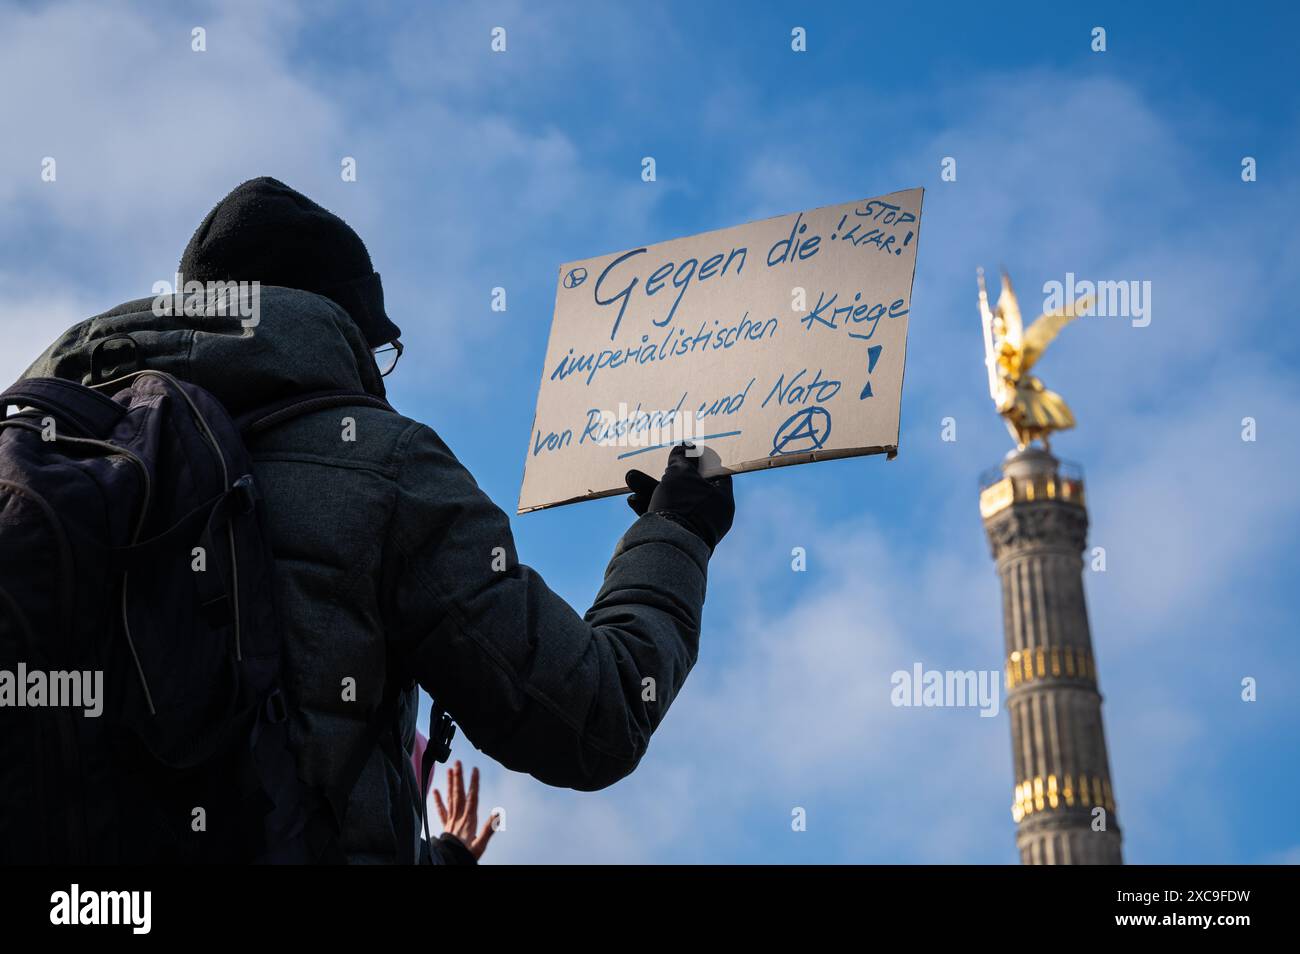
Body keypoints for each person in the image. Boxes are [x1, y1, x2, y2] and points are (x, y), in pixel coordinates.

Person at [20, 177, 734, 864]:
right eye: (380, 350)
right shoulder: (383, 469)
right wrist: (678, 532)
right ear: (343, 330)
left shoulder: (46, 449)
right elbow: (595, 718)